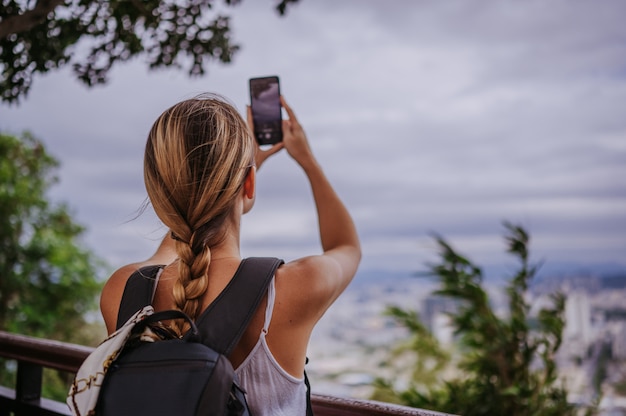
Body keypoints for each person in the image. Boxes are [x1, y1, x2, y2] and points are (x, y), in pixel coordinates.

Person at [99, 93, 361, 415]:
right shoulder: (292, 289)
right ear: (248, 184)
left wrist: (241, 173)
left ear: (156, 196)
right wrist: (307, 160)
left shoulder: (122, 290)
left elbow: (181, 231)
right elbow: (347, 247)